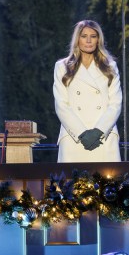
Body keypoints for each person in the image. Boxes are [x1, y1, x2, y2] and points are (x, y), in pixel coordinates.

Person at [53, 19, 123, 163]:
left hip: (104, 138)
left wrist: (98, 131)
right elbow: (61, 105)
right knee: (72, 184)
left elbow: (115, 104)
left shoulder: (110, 66)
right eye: (84, 36)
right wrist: (81, 133)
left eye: (93, 36)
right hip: (74, 139)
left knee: (107, 183)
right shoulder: (62, 67)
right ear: (77, 39)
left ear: (99, 40)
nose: (89, 40)